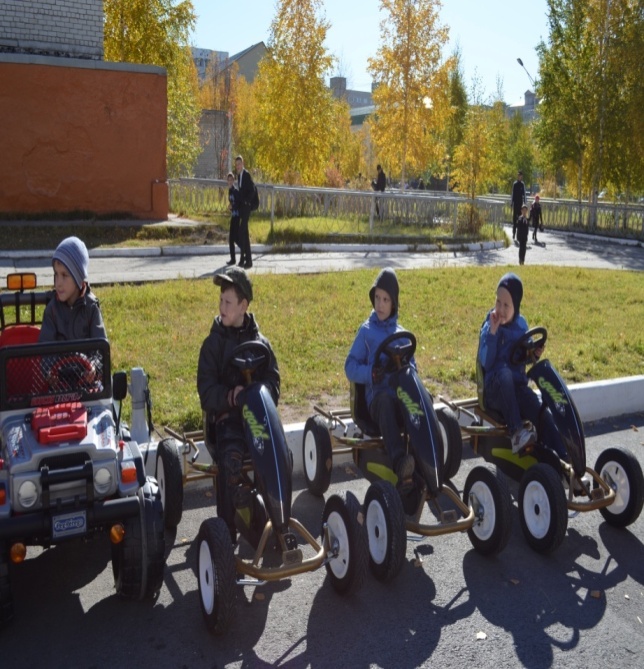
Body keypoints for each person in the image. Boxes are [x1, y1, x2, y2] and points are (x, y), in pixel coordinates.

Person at [197, 265, 280, 542]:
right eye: (220, 301)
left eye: (228, 302)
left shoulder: (260, 342)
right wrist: (230, 396)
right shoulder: (213, 345)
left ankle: (277, 521)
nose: (222, 306)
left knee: (277, 458)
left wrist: (261, 393)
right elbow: (206, 391)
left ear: (243, 305)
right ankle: (227, 531)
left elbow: (273, 380)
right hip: (226, 420)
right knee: (230, 460)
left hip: (255, 419)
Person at [478, 273, 566, 458]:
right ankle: (517, 433)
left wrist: (533, 354)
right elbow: (485, 361)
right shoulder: (490, 325)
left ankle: (562, 454)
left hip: (517, 388)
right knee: (504, 374)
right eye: (498, 302)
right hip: (494, 391)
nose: (500, 309)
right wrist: (492, 334)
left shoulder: (521, 324)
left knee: (538, 408)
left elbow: (524, 357)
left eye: (506, 305)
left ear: (516, 306)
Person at [345, 268, 416, 490]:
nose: (380, 304)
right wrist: (370, 373)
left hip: (399, 394)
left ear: (394, 303)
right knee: (385, 402)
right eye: (377, 298)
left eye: (385, 299)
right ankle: (398, 461)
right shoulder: (366, 332)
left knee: (418, 402)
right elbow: (350, 366)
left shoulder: (401, 333)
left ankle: (421, 455)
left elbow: (412, 367)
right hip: (376, 399)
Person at [39, 236, 107, 342]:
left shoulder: (91, 308)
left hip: (84, 359)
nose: (58, 283)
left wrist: (88, 359)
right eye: (56, 274)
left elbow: (100, 351)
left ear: (78, 278)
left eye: (64, 275)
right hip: (59, 359)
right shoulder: (52, 310)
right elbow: (46, 353)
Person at [235, 155, 254, 269]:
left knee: (242, 233)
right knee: (244, 235)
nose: (237, 166)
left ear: (243, 164)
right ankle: (246, 260)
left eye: (239, 164)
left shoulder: (246, 175)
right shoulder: (239, 176)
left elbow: (251, 190)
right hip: (242, 209)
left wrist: (246, 202)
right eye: (236, 164)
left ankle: (245, 258)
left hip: (246, 209)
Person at [226, 172, 241, 266]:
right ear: (227, 181)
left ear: (234, 181)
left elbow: (238, 203)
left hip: (237, 216)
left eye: (232, 180)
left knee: (234, 238)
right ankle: (233, 259)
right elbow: (231, 202)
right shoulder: (230, 190)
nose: (230, 181)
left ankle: (244, 249)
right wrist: (230, 206)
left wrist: (232, 206)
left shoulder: (235, 191)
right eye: (229, 180)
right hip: (233, 215)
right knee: (232, 238)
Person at [511, 171, 526, 240]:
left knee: (520, 220)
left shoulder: (522, 185)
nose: (520, 177)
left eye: (521, 176)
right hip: (515, 204)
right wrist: (511, 203)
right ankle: (513, 232)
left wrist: (524, 203)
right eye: (519, 176)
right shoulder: (515, 184)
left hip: (520, 205)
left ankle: (518, 234)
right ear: (518, 176)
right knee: (515, 220)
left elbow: (524, 195)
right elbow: (512, 194)